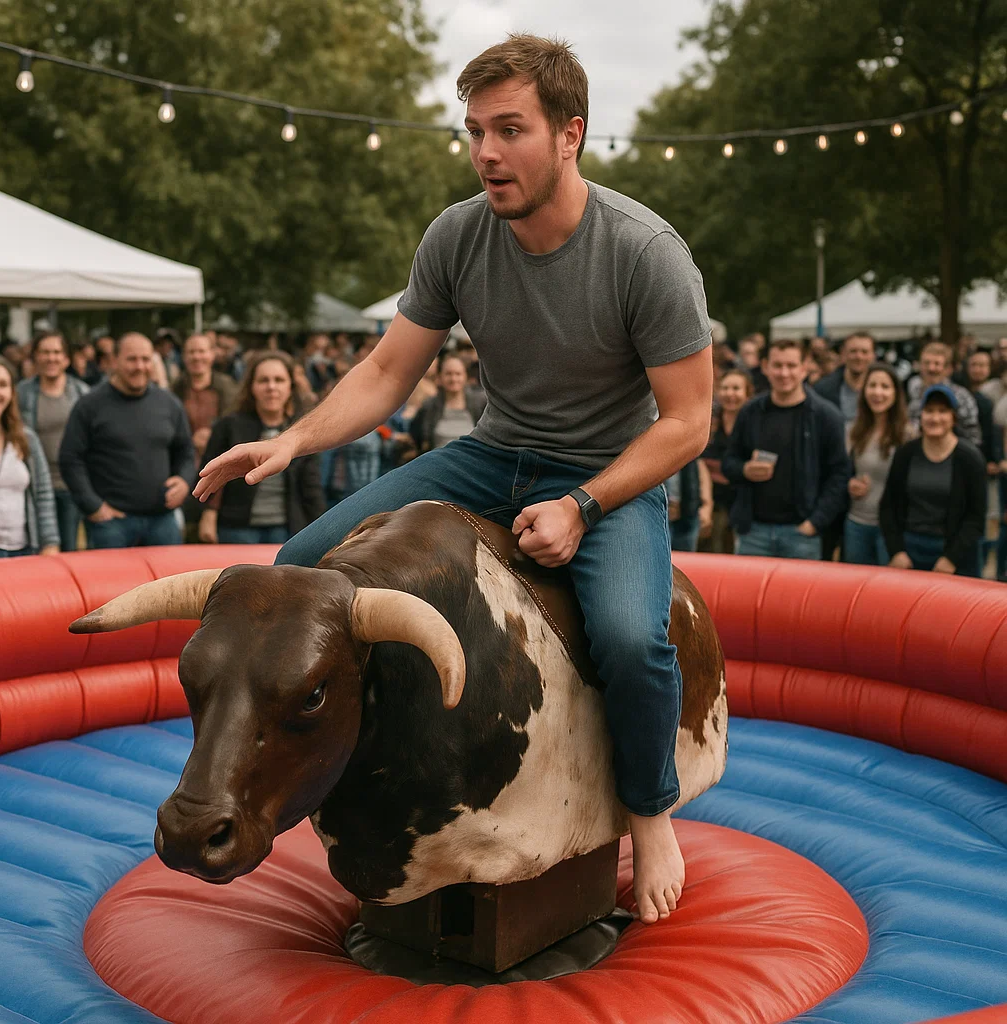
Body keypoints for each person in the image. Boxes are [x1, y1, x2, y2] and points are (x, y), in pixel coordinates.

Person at [196, 34, 714, 926]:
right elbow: (389, 371)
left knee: (633, 637)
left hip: (607, 473)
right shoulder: (457, 233)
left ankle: (651, 811)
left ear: (570, 135)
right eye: (473, 131)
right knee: (299, 568)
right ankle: (353, 773)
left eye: (508, 130)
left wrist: (585, 505)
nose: (485, 153)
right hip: (492, 453)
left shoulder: (645, 252)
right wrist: (291, 439)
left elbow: (689, 423)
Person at [60, 333, 195, 549]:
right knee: (111, 584)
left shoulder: (169, 403)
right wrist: (92, 505)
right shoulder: (89, 405)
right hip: (111, 524)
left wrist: (184, 481)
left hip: (163, 522)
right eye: (132, 359)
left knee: (168, 583)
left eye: (145, 359)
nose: (139, 366)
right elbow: (70, 459)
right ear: (114, 361)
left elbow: (186, 451)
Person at [722, 338, 851, 559]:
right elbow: (729, 462)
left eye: (791, 366)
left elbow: (840, 475)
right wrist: (745, 470)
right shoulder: (750, 412)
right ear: (765, 367)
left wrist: (815, 522)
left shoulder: (826, 416)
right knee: (747, 594)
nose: (784, 373)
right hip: (754, 530)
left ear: (804, 368)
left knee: (800, 595)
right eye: (777, 365)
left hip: (801, 533)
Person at [198, 351, 324, 545]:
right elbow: (211, 473)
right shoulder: (229, 425)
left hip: (287, 529)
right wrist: (208, 513)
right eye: (263, 380)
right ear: (252, 387)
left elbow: (311, 487)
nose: (271, 387)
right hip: (236, 528)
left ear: (290, 386)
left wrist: (323, 532)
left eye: (279, 380)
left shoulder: (302, 430)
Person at [880, 384, 986, 577]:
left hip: (954, 554)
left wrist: (951, 558)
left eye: (942, 411)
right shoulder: (906, 453)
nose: (935, 418)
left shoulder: (970, 458)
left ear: (953, 417)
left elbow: (976, 518)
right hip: (910, 551)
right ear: (920, 416)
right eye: (929, 411)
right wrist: (897, 551)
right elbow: (888, 506)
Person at [16, 332, 90, 551]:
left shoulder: (81, 393)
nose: (51, 358)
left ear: (66, 359)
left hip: (70, 485)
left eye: (57, 352)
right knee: (37, 548)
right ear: (35, 357)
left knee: (68, 550)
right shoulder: (22, 393)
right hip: (35, 485)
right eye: (45, 352)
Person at [0, 355, 59, 558]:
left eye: (3, 385)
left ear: (11, 393)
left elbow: (43, 494)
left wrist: (50, 543)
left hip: (22, 550)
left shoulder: (26, 438)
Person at [843, 364, 910, 566]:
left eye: (885, 386)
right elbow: (842, 473)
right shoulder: (852, 431)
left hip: (891, 529)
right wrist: (850, 484)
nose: (877, 393)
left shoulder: (908, 434)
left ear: (896, 393)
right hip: (856, 523)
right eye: (872, 386)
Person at [699, 368, 752, 553]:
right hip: (712, 498)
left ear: (747, 394)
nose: (730, 394)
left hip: (742, 500)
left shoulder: (754, 422)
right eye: (725, 388)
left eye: (736, 388)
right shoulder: (710, 421)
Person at [172, 334, 239, 466]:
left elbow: (237, 423)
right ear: (184, 357)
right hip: (184, 462)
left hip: (221, 460)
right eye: (191, 352)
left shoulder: (228, 387)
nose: (196, 357)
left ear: (212, 354)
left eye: (201, 351)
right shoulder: (175, 389)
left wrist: (214, 435)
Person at [409, 353, 487, 454]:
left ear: (465, 376)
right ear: (439, 377)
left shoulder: (480, 403)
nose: (453, 379)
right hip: (438, 461)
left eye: (458, 374)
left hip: (472, 461)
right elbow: (416, 435)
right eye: (448, 374)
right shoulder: (429, 406)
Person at [906, 341, 981, 444]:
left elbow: (973, 436)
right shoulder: (913, 391)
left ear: (948, 369)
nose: (931, 368)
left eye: (937, 364)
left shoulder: (962, 396)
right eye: (926, 363)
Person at [812, 333, 876, 423]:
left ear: (873, 355)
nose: (859, 357)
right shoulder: (821, 390)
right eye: (853, 351)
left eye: (864, 352)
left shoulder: (884, 390)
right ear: (843, 354)